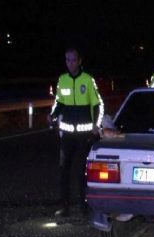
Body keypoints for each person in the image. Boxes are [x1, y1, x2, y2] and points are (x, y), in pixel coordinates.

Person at [47, 47, 103, 217]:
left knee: (82, 171)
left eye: (73, 60)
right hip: (68, 134)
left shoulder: (88, 80)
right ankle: (65, 206)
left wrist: (96, 126)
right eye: (67, 60)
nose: (70, 63)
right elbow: (59, 102)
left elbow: (98, 104)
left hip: (85, 135)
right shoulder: (62, 80)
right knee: (64, 170)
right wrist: (53, 115)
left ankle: (84, 205)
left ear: (79, 61)